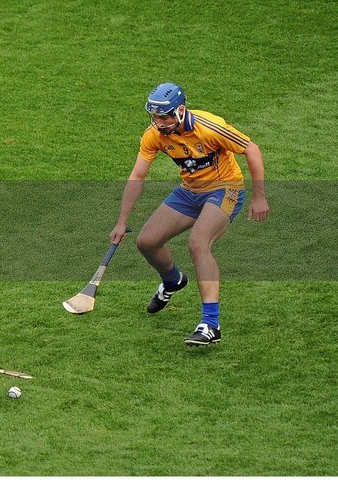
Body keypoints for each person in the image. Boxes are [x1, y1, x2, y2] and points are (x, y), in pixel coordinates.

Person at [110, 83, 269, 345]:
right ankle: (173, 281)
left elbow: (251, 149)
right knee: (147, 242)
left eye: (164, 117)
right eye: (155, 117)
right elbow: (138, 176)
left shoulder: (209, 126)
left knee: (198, 243)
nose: (159, 123)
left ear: (180, 110)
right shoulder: (154, 135)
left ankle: (210, 323)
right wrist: (121, 222)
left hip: (225, 189)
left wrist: (259, 196)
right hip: (189, 191)